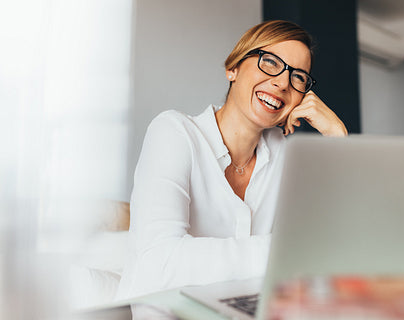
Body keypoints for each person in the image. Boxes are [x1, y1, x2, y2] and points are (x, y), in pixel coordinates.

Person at [116, 20, 347, 299]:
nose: (283, 82)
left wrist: (337, 135)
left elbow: (338, 240)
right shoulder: (174, 132)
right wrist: (287, 251)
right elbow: (160, 263)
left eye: (298, 77)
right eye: (271, 62)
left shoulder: (286, 157)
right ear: (233, 69)